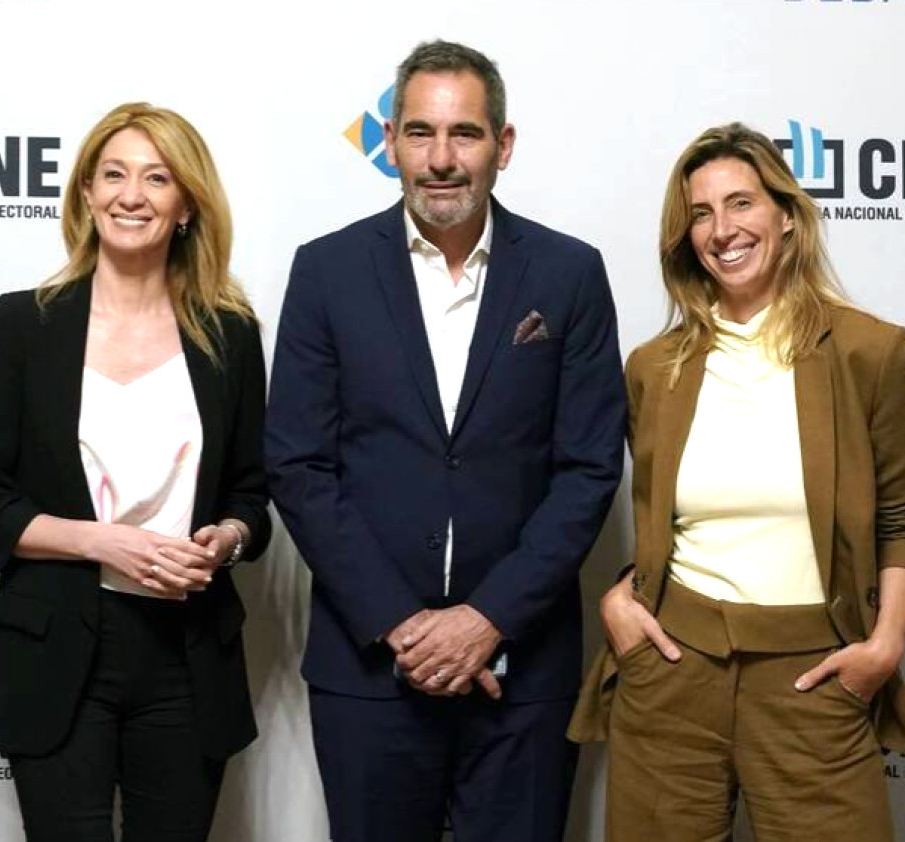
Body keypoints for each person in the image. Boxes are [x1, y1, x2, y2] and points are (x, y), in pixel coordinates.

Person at [265, 39, 625, 842]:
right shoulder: (326, 271)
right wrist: (403, 623)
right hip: (368, 670)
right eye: (419, 133)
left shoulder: (568, 274)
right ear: (388, 143)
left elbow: (589, 469)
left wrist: (486, 619)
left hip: (523, 669)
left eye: (463, 133)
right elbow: (298, 464)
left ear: (503, 144)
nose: (440, 159)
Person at [568, 122, 905, 842]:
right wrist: (618, 600)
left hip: (817, 674)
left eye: (742, 203)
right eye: (701, 213)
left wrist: (885, 647)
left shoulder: (870, 351)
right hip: (671, 672)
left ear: (787, 215)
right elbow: (648, 513)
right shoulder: (654, 368)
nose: (724, 229)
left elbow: (898, 519)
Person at [0, 101, 270, 842]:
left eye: (158, 178)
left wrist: (226, 537)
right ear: (86, 193)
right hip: (58, 652)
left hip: (189, 660)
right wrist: (103, 543)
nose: (133, 195)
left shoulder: (231, 333)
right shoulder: (25, 324)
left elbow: (254, 493)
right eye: (115, 174)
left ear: (187, 203)